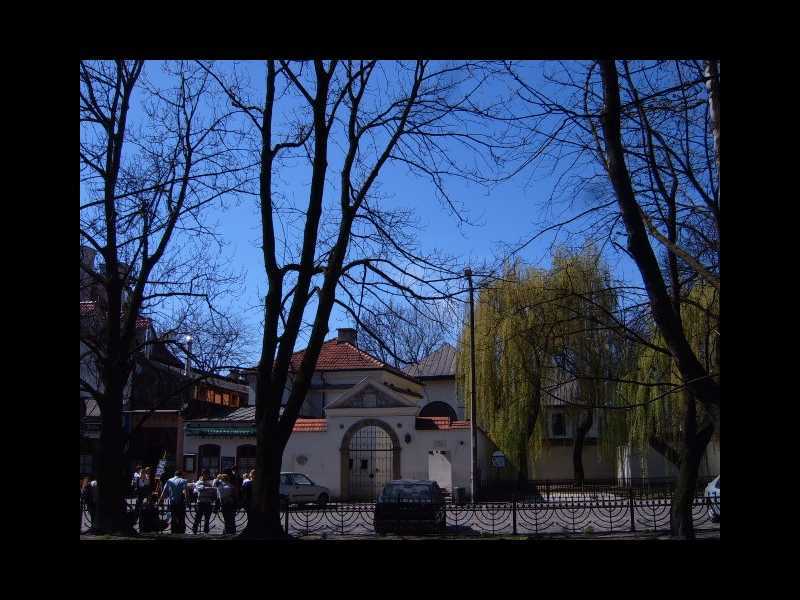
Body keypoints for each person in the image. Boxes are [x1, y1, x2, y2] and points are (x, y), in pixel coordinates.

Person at [159, 468, 188, 534]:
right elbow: (186, 492)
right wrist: (187, 501)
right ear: (181, 475)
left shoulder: (169, 481)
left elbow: (163, 492)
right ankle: (180, 532)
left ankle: (173, 531)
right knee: (181, 518)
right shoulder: (183, 481)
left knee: (173, 517)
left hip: (172, 502)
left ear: (174, 475)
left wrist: (160, 501)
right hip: (180, 503)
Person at [192, 470, 217, 534]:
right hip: (200, 502)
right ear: (203, 474)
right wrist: (209, 489)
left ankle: (206, 531)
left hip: (208, 502)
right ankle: (194, 530)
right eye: (205, 474)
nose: (207, 476)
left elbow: (213, 491)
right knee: (198, 517)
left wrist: (208, 489)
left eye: (208, 474)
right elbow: (200, 489)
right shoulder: (198, 482)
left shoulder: (209, 483)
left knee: (207, 518)